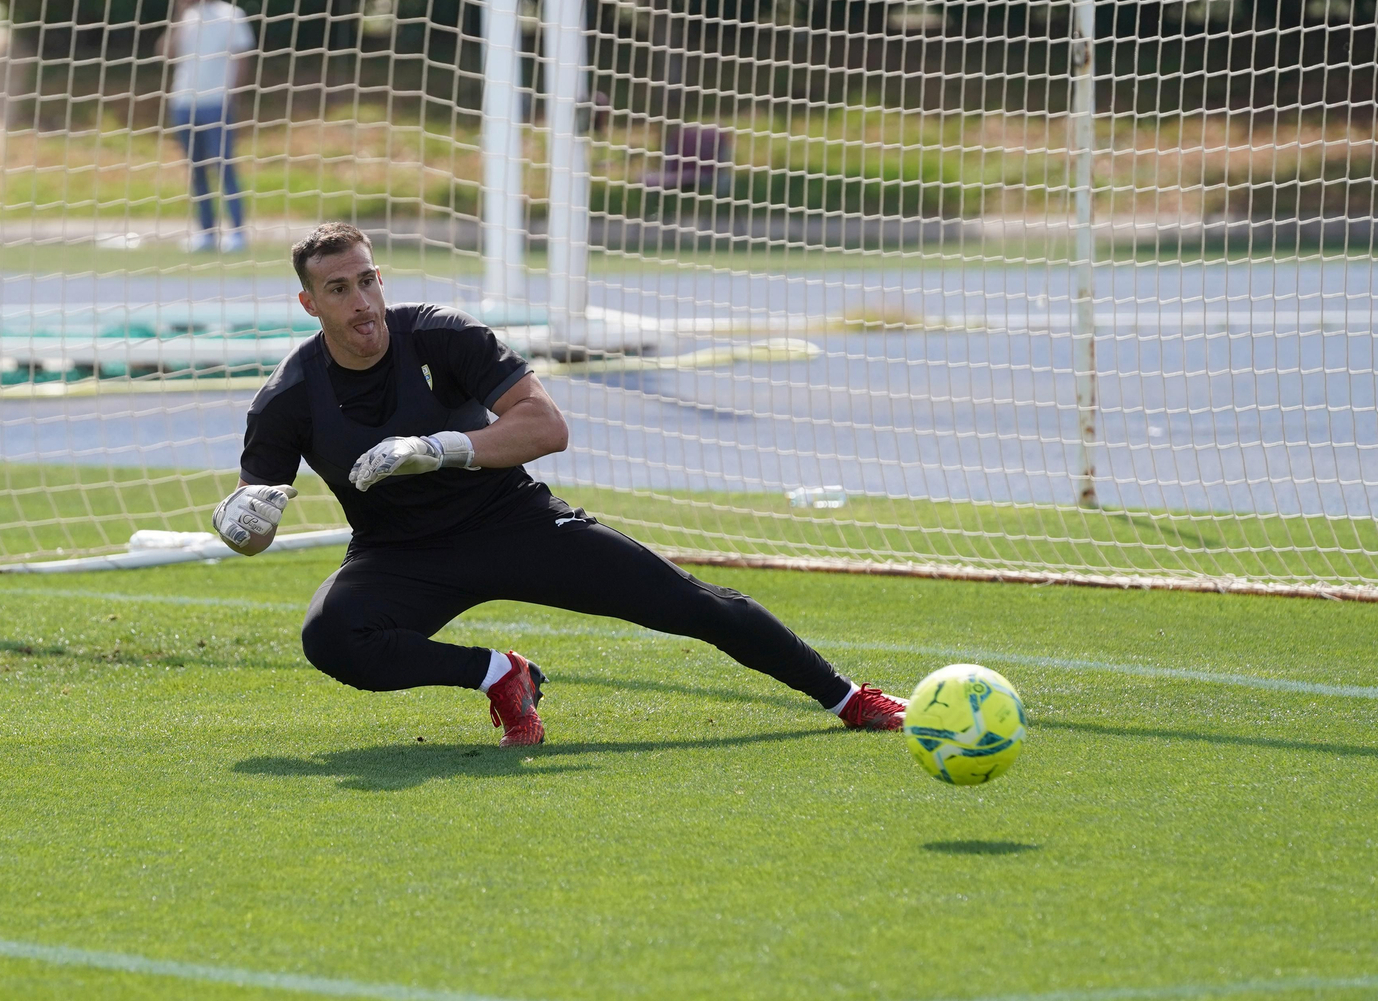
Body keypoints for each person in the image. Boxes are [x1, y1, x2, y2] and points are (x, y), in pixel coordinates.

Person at [211, 222, 909, 746]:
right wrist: (241, 523)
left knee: (688, 603)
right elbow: (257, 525)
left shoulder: (440, 337)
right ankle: (498, 675)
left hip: (511, 522)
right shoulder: (288, 397)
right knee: (331, 639)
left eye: (368, 281)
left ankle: (848, 698)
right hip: (400, 554)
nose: (361, 302)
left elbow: (546, 427)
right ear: (310, 304)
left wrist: (439, 448)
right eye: (339, 289)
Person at [159, 0, 255, 252]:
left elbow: (242, 56)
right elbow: (164, 53)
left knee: (224, 166)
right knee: (197, 170)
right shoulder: (184, 18)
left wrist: (233, 95)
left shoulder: (231, 15)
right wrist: (178, 15)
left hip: (217, 103)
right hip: (184, 103)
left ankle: (237, 231)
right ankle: (206, 232)